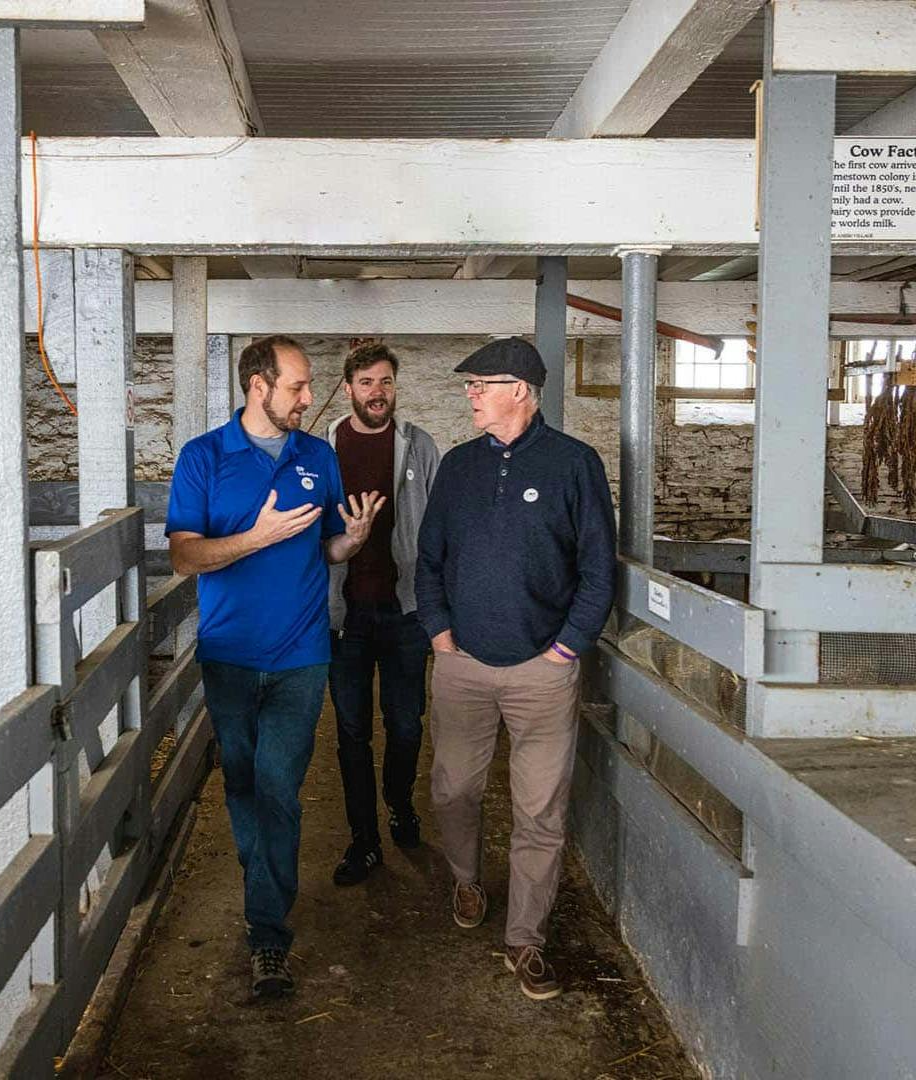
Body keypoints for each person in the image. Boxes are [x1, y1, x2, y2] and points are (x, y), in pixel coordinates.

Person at [166, 335, 384, 998]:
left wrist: (352, 537)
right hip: (229, 655)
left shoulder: (318, 456)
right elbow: (183, 557)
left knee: (279, 789)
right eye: (297, 386)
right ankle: (262, 872)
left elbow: (328, 550)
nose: (310, 398)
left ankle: (267, 933)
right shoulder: (203, 458)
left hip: (301, 654)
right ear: (257, 386)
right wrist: (255, 538)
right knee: (240, 787)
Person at [414, 336, 616, 1002]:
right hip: (462, 663)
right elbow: (430, 559)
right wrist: (441, 635)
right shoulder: (459, 465)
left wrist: (566, 649)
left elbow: (596, 569)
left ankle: (526, 939)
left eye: (482, 384)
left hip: (543, 672)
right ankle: (467, 877)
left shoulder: (574, 465)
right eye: (468, 385)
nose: (470, 394)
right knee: (451, 789)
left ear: (522, 391)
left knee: (540, 813)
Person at [324, 342, 441, 886]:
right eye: (367, 382)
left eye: (387, 381)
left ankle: (399, 801)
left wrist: (442, 610)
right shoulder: (321, 448)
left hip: (406, 612)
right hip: (344, 614)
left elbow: (439, 530)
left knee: (405, 724)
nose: (378, 392)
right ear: (348, 388)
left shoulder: (419, 446)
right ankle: (364, 839)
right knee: (351, 733)